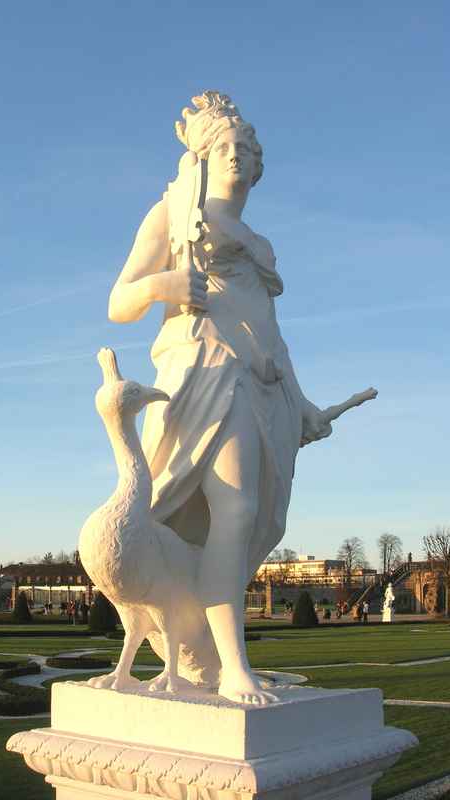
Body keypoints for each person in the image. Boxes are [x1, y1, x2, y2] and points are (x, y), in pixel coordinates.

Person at [108, 91, 334, 704]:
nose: (236, 155)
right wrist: (163, 283)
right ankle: (233, 666)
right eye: (224, 147)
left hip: (263, 384)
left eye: (245, 149)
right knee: (232, 511)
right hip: (202, 370)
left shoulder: (257, 242)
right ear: (202, 158)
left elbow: (269, 332)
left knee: (258, 518)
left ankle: (204, 653)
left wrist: (304, 401)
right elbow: (118, 303)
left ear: (258, 165)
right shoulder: (174, 217)